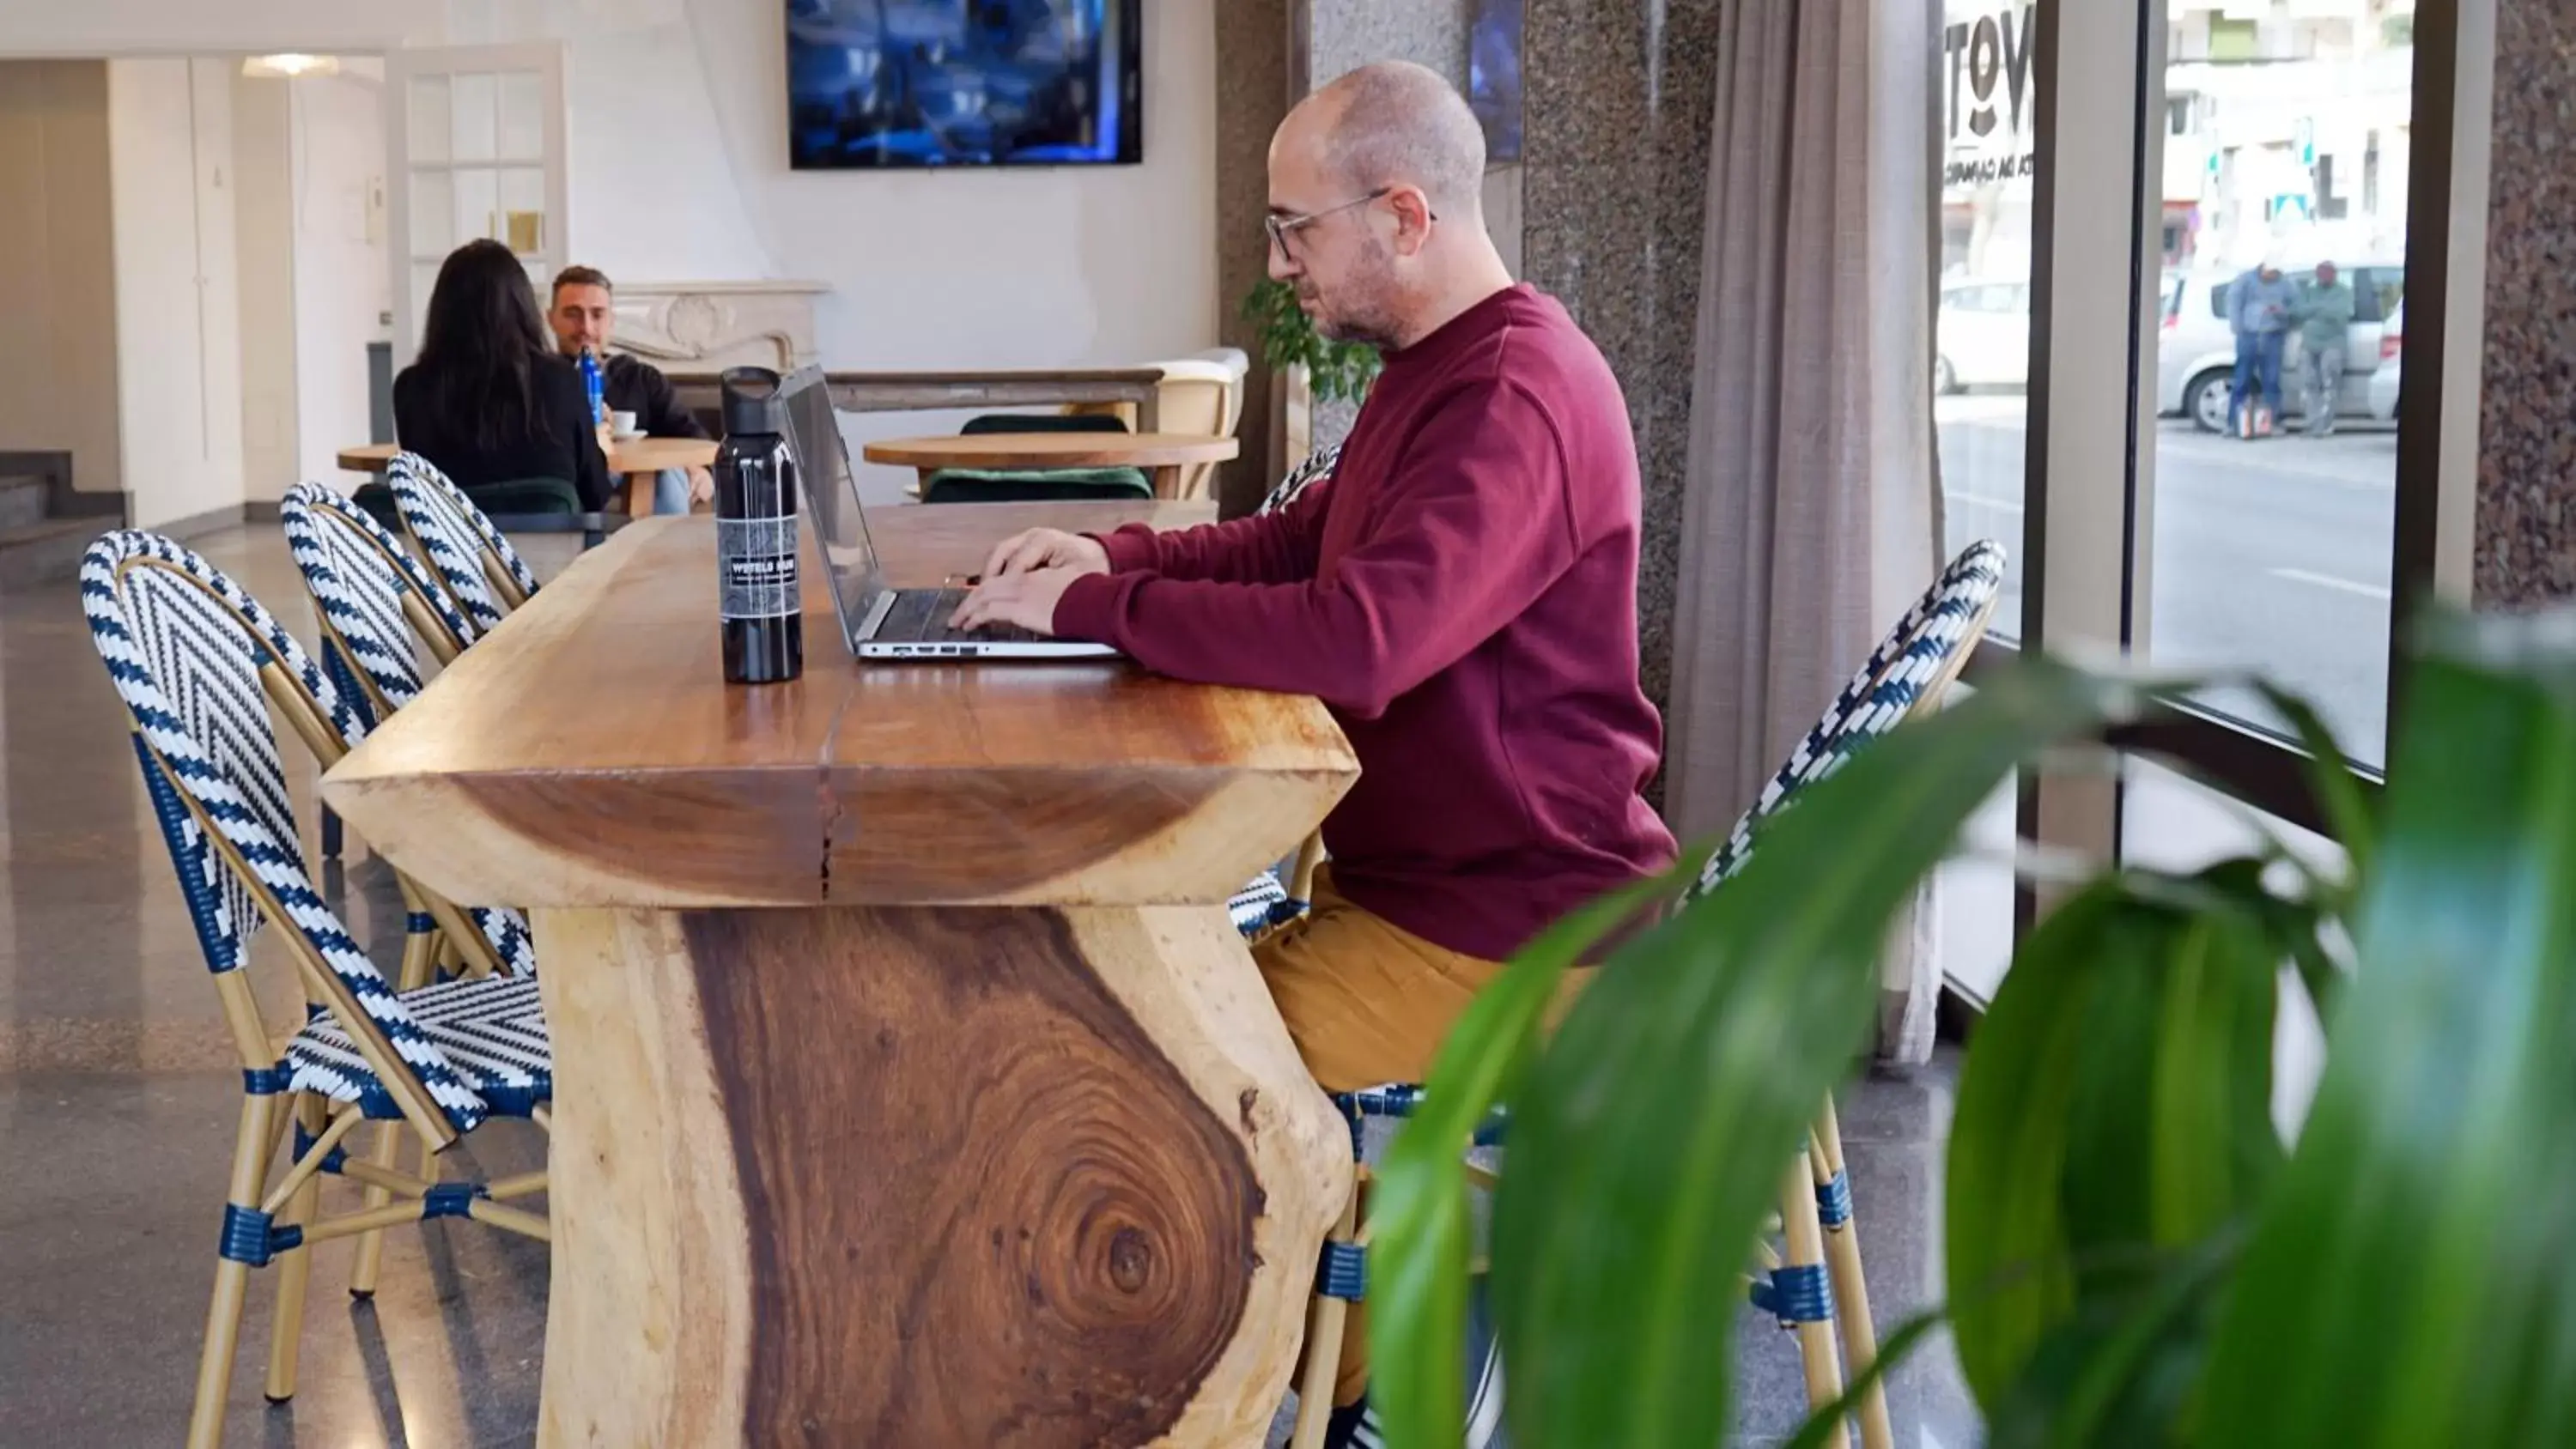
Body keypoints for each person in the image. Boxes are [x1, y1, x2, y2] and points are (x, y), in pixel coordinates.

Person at [952, 59, 1676, 1444]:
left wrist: (1101, 611)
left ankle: (1378, 1386)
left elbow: (1366, 637)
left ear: (1403, 214)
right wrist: (1112, 553)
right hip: (1420, 898)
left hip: (1510, 933)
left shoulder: (1514, 396)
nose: (1280, 263)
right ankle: (1360, 1344)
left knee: (1149, 1088)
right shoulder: (1436, 369)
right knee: (1126, 1018)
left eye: (1296, 229)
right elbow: (1304, 536)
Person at [393, 239, 612, 511]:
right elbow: (596, 494)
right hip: (554, 551)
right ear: (524, 306)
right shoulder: (562, 380)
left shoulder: (411, 389)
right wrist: (596, 444)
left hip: (452, 552)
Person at [545, 265, 716, 512]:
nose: (586, 327)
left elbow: (691, 435)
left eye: (597, 315)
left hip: (641, 486)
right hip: (568, 487)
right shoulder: (537, 380)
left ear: (611, 320)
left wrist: (702, 471)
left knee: (668, 475)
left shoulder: (641, 378)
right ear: (550, 319)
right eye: (573, 314)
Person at [2227, 258, 2298, 437]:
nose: (2272, 277)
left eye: (2275, 274)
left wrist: (2281, 312)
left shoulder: (2286, 284)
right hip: (2248, 335)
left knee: (2272, 381)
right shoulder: (2244, 281)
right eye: (2269, 274)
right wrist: (2238, 328)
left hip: (2273, 335)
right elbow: (2233, 303)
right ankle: (2234, 423)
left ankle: (2270, 423)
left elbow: (2296, 308)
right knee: (2242, 380)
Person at [2292, 260, 2356, 438]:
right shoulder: (2310, 292)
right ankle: (2312, 424)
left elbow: (2340, 315)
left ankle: (2324, 425)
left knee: (2330, 385)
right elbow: (2298, 311)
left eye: (2327, 273)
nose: (2323, 277)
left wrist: (2313, 310)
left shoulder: (2343, 292)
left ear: (2334, 274)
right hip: (2308, 344)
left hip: (2332, 344)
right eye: (2320, 273)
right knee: (2308, 383)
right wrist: (2320, 309)